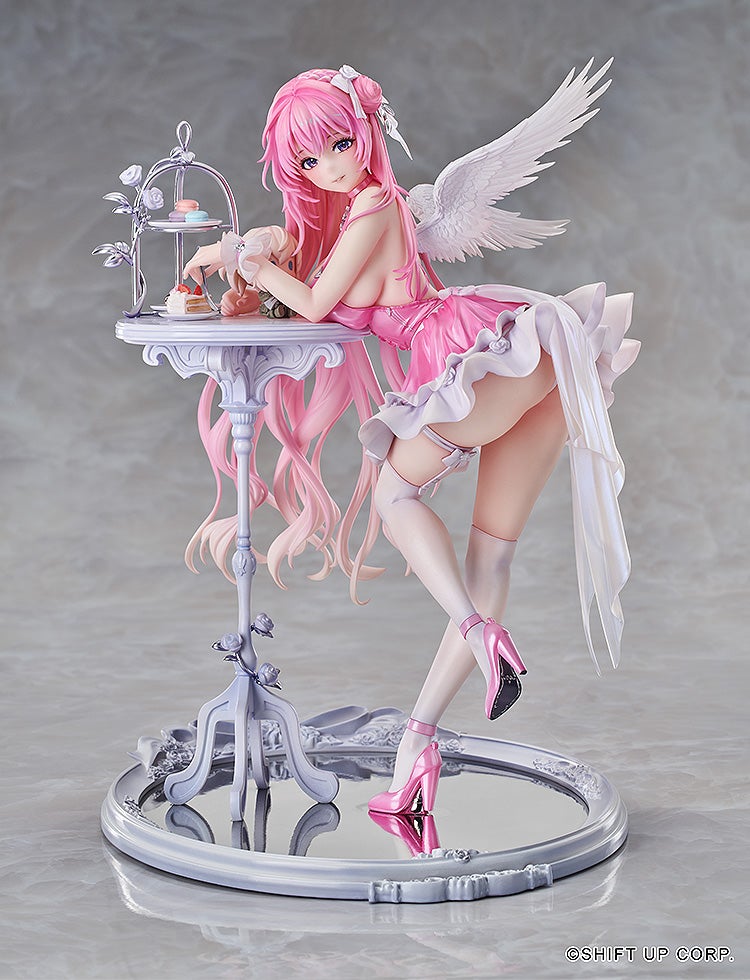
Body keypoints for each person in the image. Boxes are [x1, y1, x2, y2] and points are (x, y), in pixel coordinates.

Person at [183, 64, 639, 816]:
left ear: (365, 131)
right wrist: (262, 255)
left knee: (395, 494)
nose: (331, 166)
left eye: (339, 144)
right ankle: (417, 750)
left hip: (476, 355)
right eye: (309, 160)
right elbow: (316, 282)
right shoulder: (360, 214)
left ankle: (477, 630)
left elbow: (316, 307)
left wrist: (250, 264)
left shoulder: (372, 206)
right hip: (527, 368)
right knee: (489, 556)